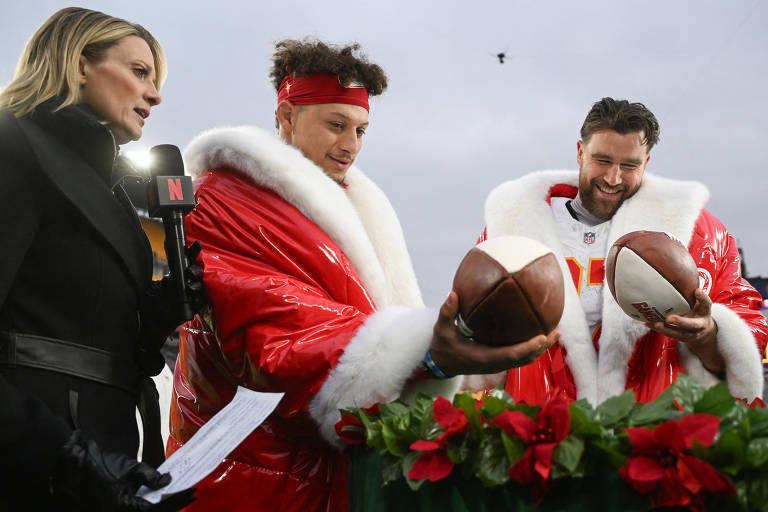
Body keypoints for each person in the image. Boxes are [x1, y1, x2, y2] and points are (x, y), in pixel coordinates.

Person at [167, 38, 558, 511]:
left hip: (324, 470)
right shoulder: (221, 201)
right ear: (287, 117)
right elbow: (277, 334)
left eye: (361, 130)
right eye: (336, 125)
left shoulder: (354, 204)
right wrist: (427, 354)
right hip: (246, 474)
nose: (350, 145)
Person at [0, 8, 196, 510]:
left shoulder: (114, 198)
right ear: (79, 64)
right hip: (32, 463)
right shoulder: (12, 144)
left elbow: (85, 332)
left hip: (105, 453)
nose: (155, 94)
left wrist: (155, 319)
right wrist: (61, 453)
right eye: (139, 72)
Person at [476, 97, 767, 406]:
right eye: (602, 160)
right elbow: (477, 343)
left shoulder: (698, 235)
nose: (613, 178)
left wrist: (708, 335)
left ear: (647, 163)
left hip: (651, 437)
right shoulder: (512, 227)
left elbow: (747, 339)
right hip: (537, 431)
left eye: (629, 165)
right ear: (579, 152)